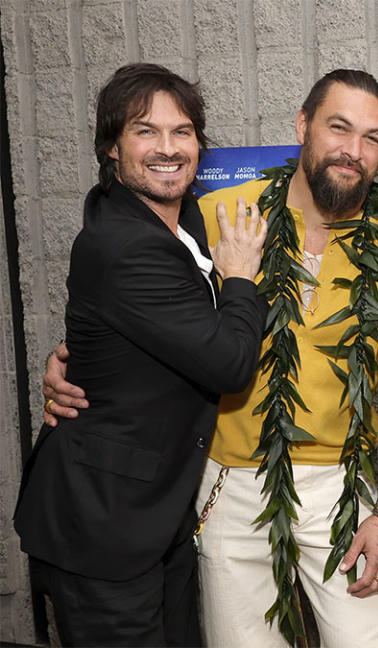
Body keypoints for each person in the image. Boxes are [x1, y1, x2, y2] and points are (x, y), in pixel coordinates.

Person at [41, 69, 378, 648]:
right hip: (228, 483)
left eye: (372, 137)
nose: (352, 151)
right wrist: (73, 361)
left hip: (341, 485)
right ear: (303, 126)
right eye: (338, 127)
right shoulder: (220, 214)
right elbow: (140, 304)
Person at [14, 63, 268, 646]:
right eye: (145, 131)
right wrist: (239, 279)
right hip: (106, 524)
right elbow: (229, 364)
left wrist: (71, 352)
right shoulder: (128, 245)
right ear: (111, 146)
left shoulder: (176, 226)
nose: (168, 148)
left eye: (182, 132)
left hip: (157, 515)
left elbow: (135, 330)